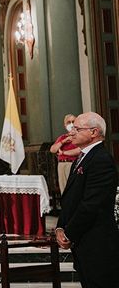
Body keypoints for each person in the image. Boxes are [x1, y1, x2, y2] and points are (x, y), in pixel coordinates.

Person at [56, 112, 119, 287]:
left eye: (77, 129)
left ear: (94, 132)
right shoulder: (82, 157)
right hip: (83, 241)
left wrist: (69, 233)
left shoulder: (101, 160)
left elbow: (91, 205)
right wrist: (60, 226)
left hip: (97, 243)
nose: (72, 133)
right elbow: (70, 198)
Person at [49, 113, 81, 193]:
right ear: (65, 125)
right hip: (62, 165)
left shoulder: (80, 136)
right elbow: (53, 149)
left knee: (75, 190)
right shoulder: (62, 137)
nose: (71, 124)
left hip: (74, 164)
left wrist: (63, 153)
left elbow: (79, 150)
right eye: (68, 122)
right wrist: (63, 141)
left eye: (73, 121)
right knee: (64, 190)